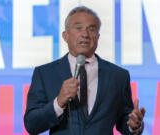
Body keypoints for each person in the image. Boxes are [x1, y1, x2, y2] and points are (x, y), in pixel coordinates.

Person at [24, 6, 145, 135]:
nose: (85, 34)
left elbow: (125, 121)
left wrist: (134, 126)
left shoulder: (118, 76)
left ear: (97, 37)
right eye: (78, 28)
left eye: (91, 29)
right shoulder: (45, 74)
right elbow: (32, 124)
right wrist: (59, 102)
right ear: (65, 36)